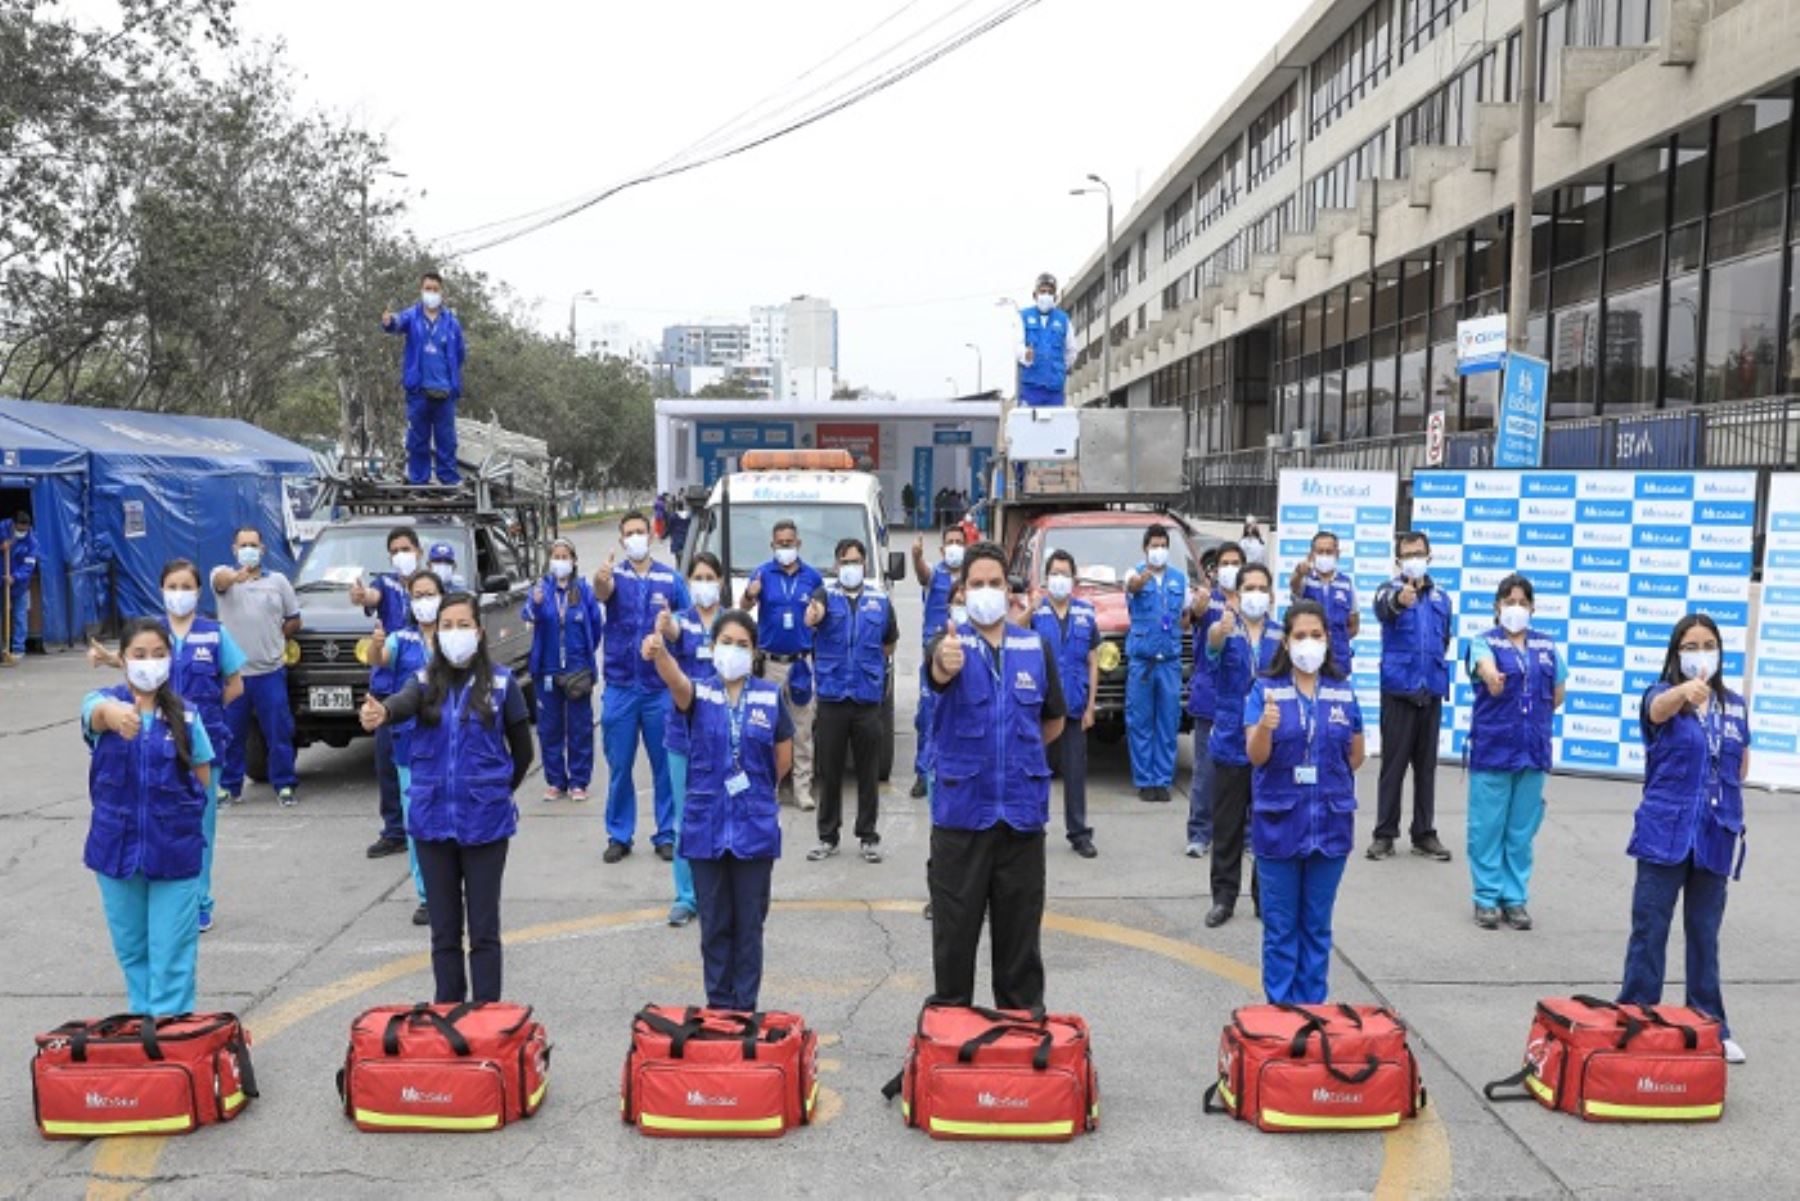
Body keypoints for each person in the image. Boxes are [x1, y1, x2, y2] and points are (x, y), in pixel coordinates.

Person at [360, 593, 534, 1003]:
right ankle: (448, 1016)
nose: (455, 633)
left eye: (463, 625)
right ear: (436, 634)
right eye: (447, 626)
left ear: (479, 631)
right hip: (431, 823)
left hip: (486, 825)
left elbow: (523, 754)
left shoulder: (504, 683)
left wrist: (494, 793)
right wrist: (382, 712)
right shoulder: (422, 683)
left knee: (484, 931)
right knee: (444, 933)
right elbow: (401, 704)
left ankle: (487, 1019)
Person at [923, 542, 1066, 1007]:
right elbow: (937, 674)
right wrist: (944, 663)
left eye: (995, 583)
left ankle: (1022, 1054)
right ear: (962, 592)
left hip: (1021, 821)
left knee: (1019, 954)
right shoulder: (949, 645)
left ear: (1010, 591)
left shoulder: (1035, 648)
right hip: (962, 821)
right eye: (977, 584)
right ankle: (951, 1053)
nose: (987, 591)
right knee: (954, 947)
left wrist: (1014, 756)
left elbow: (1053, 720)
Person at [644, 608, 793, 1010]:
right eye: (726, 642)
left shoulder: (768, 695)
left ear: (755, 652)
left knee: (749, 928)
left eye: (742, 644)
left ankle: (745, 1010)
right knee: (714, 927)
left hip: (754, 829)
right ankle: (719, 1009)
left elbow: (783, 759)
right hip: (706, 828)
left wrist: (755, 794)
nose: (734, 650)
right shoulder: (699, 692)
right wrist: (659, 653)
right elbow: (675, 680)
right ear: (712, 648)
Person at [1618, 614, 1749, 1064]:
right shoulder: (1661, 696)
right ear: (1676, 654)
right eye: (1690, 646)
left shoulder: (1734, 704)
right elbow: (1657, 711)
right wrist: (1682, 694)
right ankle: (1635, 1017)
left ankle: (1710, 1023)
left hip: (1715, 834)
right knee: (1650, 929)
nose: (1700, 653)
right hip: (1665, 832)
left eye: (1708, 644)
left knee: (1704, 932)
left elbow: (1740, 765)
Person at [88, 563, 245, 935]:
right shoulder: (152, 633)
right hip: (151, 745)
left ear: (198, 592)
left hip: (197, 746)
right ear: (161, 590)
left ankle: (199, 902)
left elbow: (235, 685)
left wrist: (201, 720)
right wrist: (110, 659)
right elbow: (135, 666)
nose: (179, 592)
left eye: (186, 586)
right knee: (152, 822)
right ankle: (157, 895)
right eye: (172, 585)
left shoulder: (214, 634)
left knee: (198, 824)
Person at [81, 619, 217, 1015]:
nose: (149, 663)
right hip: (115, 852)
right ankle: (145, 1028)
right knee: (133, 950)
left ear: (171, 660)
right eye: (139, 655)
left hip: (174, 853)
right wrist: (112, 712)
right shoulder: (104, 703)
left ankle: (171, 1034)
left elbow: (203, 777)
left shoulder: (188, 717)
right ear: (122, 659)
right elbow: (94, 712)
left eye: (158, 654)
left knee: (171, 952)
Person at [1244, 600, 1366, 1004]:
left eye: (1316, 635)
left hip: (1330, 827)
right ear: (1286, 642)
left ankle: (1313, 1014)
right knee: (1281, 929)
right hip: (1279, 826)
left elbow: (1356, 756)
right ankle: (1280, 1015)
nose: (1308, 644)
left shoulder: (1343, 692)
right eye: (1300, 636)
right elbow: (1255, 755)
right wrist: (1265, 727)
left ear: (1328, 640)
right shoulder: (1265, 690)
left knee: (1317, 927)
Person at [1464, 574, 1565, 931]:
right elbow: (1484, 668)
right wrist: (1492, 677)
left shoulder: (1546, 646)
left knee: (1521, 830)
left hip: (1532, 750)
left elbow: (1557, 693)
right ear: (1497, 606)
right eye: (1509, 602)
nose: (1516, 609)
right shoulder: (1483, 642)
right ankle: (1487, 897)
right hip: (1494, 749)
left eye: (1522, 602)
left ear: (1533, 607)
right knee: (1487, 827)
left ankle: (1515, 898)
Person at [593, 512, 690, 863]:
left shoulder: (670, 578)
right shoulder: (614, 576)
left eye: (640, 532)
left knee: (664, 764)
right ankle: (619, 834)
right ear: (621, 541)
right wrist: (600, 579)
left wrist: (671, 625)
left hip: (658, 688)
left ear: (650, 536)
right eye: (628, 533)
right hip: (620, 687)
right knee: (619, 765)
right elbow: (601, 592)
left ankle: (666, 833)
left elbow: (688, 619)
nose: (635, 538)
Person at [804, 538, 898, 864]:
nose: (851, 568)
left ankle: (868, 836)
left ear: (866, 566)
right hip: (832, 697)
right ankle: (827, 836)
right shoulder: (824, 596)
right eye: (845, 562)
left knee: (868, 771)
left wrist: (868, 666)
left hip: (867, 699)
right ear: (836, 565)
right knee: (828, 772)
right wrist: (814, 614)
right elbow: (811, 616)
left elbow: (890, 641)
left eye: (856, 562)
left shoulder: (880, 601)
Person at [1205, 562, 1285, 928]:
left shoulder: (1282, 635)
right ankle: (1223, 898)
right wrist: (1219, 633)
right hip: (1230, 740)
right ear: (1236, 595)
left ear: (1270, 595)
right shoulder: (1224, 630)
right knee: (1227, 825)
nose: (1256, 594)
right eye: (1248, 587)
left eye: (1262, 587)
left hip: (1268, 744)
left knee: (1267, 824)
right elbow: (1212, 649)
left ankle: (1263, 897)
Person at [367, 569, 447, 926]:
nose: (424, 601)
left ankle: (454, 888)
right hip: (411, 744)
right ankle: (428, 895)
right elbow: (380, 658)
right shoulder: (402, 638)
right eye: (418, 595)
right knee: (418, 820)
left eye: (430, 593)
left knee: (452, 815)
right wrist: (375, 644)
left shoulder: (454, 637)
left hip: (452, 742)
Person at [1370, 531, 1455, 862]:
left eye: (1419, 553)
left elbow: (1443, 639)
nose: (1414, 559)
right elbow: (1383, 609)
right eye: (1407, 554)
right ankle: (1384, 834)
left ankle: (1423, 833)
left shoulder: (1441, 599)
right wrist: (1398, 601)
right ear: (1398, 560)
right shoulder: (1388, 590)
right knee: (1392, 767)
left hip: (1430, 691)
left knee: (1426, 768)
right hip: (1398, 691)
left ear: (1429, 556)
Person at [660, 553, 726, 927]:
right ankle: (686, 897)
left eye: (709, 576)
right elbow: (668, 643)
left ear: (719, 581)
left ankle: (719, 892)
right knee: (686, 819)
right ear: (688, 582)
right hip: (683, 737)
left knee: (723, 813)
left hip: (721, 735)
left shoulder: (730, 622)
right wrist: (664, 633)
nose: (703, 583)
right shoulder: (679, 622)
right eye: (697, 577)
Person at [212, 526, 301, 805]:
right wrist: (236, 577)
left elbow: (294, 618)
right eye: (243, 545)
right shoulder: (223, 576)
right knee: (232, 733)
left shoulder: (278, 582)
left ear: (263, 549)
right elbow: (221, 581)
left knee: (278, 732)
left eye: (254, 544)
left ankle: (284, 784)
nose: (249, 549)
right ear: (234, 549)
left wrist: (276, 637)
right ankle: (229, 787)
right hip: (235, 675)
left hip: (270, 672)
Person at [352, 527, 424, 858]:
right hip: (387, 685)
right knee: (387, 763)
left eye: (405, 548)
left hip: (423, 684)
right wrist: (360, 595)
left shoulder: (431, 587)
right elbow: (370, 597)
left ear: (419, 551)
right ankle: (395, 830)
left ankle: (425, 827)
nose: (401, 555)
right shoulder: (386, 584)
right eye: (394, 550)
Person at [744, 519, 823, 811]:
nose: (785, 548)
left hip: (801, 663)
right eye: (780, 543)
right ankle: (771, 787)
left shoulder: (812, 578)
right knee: (766, 726)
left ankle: (802, 789)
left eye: (790, 543)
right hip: (770, 663)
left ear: (799, 544)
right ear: (772, 545)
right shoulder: (763, 573)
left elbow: (821, 615)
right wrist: (751, 593)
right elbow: (743, 607)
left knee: (802, 729)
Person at [1032, 550, 1099, 858]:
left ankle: (1079, 832)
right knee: (1036, 771)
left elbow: (1093, 660)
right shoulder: (1037, 613)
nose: (1059, 578)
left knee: (1075, 773)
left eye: (1064, 573)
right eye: (1054, 573)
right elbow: (1013, 633)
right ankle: (1032, 827)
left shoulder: (1086, 613)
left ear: (1073, 579)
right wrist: (1029, 607)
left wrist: (1090, 707)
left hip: (1074, 706)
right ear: (1047, 579)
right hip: (1041, 709)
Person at [525, 538, 603, 802]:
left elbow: (595, 626)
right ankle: (556, 780)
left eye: (564, 556)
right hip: (546, 670)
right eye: (556, 556)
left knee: (580, 727)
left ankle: (579, 781)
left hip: (577, 669)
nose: (560, 561)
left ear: (574, 560)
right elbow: (528, 615)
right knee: (549, 728)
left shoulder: (583, 590)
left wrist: (583, 656)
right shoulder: (541, 589)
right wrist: (535, 603)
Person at [1187, 542, 1248, 859]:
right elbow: (1192, 617)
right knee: (1206, 771)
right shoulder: (1208, 600)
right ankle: (1199, 832)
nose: (1230, 567)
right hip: (1211, 697)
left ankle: (1248, 835)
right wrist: (1199, 606)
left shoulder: (1253, 603)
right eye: (1225, 562)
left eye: (1236, 562)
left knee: (1247, 773)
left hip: (1245, 701)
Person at [381, 272, 467, 487]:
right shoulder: (412, 316)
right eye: (427, 289)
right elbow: (397, 323)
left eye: (435, 289)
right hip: (419, 391)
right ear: (421, 291)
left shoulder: (451, 323)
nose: (431, 293)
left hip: (445, 392)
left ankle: (448, 480)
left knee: (446, 440)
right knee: (418, 439)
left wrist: (450, 376)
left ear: (441, 292)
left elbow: (460, 353)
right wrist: (389, 322)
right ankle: (419, 480)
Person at [1125, 523, 1189, 804]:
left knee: (1167, 721)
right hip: (1142, 662)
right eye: (1154, 545)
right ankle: (1144, 780)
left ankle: (1162, 780)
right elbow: (1131, 586)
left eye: (1163, 545)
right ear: (1145, 548)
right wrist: (1142, 580)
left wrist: (1192, 613)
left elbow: (1186, 616)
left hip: (1170, 662)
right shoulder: (1135, 572)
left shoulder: (1179, 579)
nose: (1159, 550)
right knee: (1140, 721)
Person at [909, 525, 967, 798]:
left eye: (959, 541)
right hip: (934, 655)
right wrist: (917, 557)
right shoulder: (936, 575)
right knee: (927, 716)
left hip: (964, 655)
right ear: (942, 549)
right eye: (950, 542)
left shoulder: (970, 579)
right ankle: (923, 773)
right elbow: (923, 574)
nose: (955, 546)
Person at [1289, 530, 1359, 674]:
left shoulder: (1346, 584)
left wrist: (1336, 639)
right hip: (1309, 659)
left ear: (1337, 554)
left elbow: (1353, 625)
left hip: (1338, 660)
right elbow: (1294, 587)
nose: (1324, 555)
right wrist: (1299, 573)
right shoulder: (1305, 580)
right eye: (1320, 551)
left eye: (1329, 551)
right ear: (1312, 554)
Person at [1016, 272, 1075, 408]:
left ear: (1055, 296)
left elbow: (1071, 351)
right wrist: (1026, 355)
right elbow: (1017, 346)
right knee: (1029, 426)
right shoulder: (1023, 317)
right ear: (1035, 295)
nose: (1046, 295)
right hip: (1031, 387)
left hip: (1055, 390)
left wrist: (1059, 368)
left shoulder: (1063, 319)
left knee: (1054, 426)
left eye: (1050, 292)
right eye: (1042, 291)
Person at [1, 509, 38, 658]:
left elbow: (28, 566)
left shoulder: (32, 542)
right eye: (19, 529)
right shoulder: (2, 529)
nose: (22, 532)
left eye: (25, 530)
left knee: (19, 616)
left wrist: (15, 577)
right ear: (13, 524)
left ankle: (17, 649)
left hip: (19, 584)